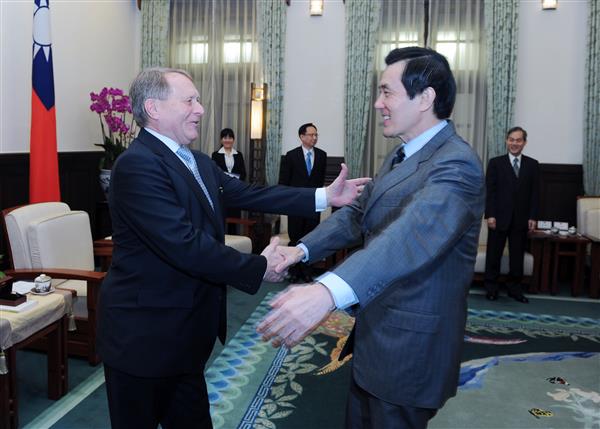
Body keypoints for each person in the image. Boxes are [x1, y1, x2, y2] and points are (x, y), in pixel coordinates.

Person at [96, 67, 369, 429]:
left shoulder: (196, 161)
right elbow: (184, 245)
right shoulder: (136, 165)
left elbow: (252, 193)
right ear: (154, 108)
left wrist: (324, 196)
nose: (200, 109)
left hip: (185, 335)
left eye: (199, 100)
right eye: (189, 100)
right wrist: (259, 267)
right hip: (144, 338)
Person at [258, 47, 485, 429]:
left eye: (387, 92)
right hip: (376, 332)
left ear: (425, 98)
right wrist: (299, 250)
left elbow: (410, 238)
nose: (378, 103)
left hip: (410, 347)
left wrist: (326, 292)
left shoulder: (456, 163)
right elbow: (358, 214)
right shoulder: (400, 156)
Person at [484, 126, 540, 303]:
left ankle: (514, 289)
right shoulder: (495, 163)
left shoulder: (533, 165)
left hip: (521, 219)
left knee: (517, 258)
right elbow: (490, 192)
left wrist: (533, 216)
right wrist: (490, 214)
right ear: (506, 141)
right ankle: (491, 288)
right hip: (498, 218)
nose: (514, 143)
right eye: (511, 139)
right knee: (493, 255)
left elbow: (535, 194)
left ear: (524, 143)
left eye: (518, 140)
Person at [278, 123, 327, 281]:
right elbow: (284, 182)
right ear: (302, 136)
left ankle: (307, 271)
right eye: (311, 135)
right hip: (295, 204)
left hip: (314, 204)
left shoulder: (322, 155)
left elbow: (320, 181)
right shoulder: (291, 156)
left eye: (316, 135)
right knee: (295, 237)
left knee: (310, 239)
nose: (314, 138)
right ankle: (294, 271)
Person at [211, 128, 246, 233]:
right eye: (225, 138)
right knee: (221, 218)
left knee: (233, 220)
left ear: (233, 140)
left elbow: (243, 173)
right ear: (221, 140)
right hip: (221, 191)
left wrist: (236, 181)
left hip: (235, 191)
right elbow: (214, 173)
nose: (227, 140)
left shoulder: (238, 155)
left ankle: (233, 238)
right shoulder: (215, 155)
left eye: (230, 138)